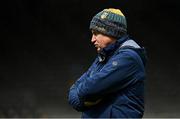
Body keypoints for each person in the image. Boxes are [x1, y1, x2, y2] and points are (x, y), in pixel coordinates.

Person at [68, 8, 147, 118]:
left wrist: (81, 96)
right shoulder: (106, 54)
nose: (92, 39)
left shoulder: (128, 58)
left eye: (96, 33)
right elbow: (75, 89)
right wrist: (80, 96)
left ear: (111, 32)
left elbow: (89, 89)